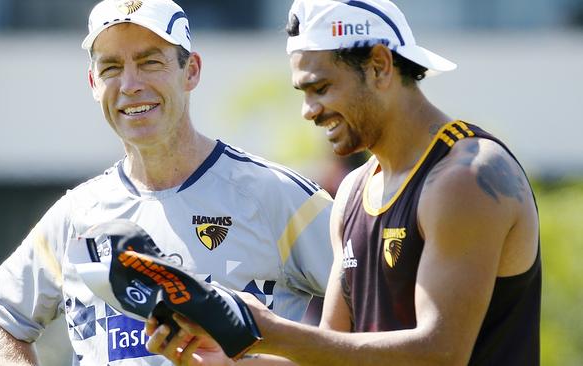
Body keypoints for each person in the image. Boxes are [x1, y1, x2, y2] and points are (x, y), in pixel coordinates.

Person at [145, 0, 541, 365]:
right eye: (303, 92)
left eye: (321, 88)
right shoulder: (354, 190)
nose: (308, 111)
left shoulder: (466, 177)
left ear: (380, 66)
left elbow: (440, 354)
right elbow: (332, 353)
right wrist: (228, 359)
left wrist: (270, 332)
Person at [0, 0, 334, 365]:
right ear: (94, 83)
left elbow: (373, 325)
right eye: (111, 67)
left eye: (150, 62)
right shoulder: (75, 216)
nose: (130, 84)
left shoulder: (277, 196)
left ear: (191, 71)